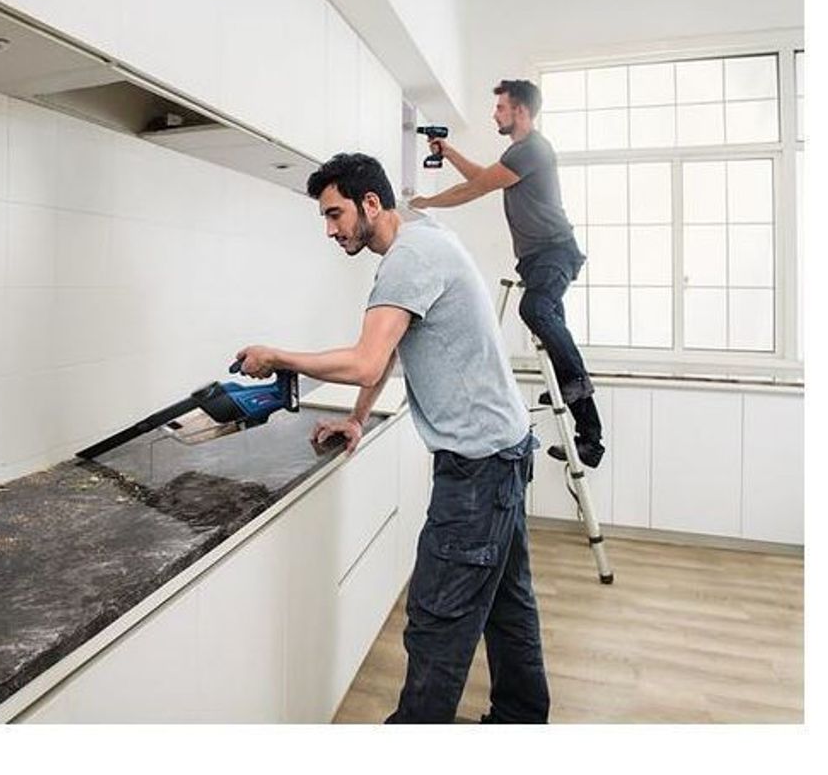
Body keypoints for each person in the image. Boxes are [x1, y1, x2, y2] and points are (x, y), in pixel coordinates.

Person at [235, 152, 550, 724]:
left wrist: (278, 356)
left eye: (335, 215)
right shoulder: (426, 237)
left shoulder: (407, 259)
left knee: (436, 621)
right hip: (504, 453)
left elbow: (365, 360)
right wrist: (358, 418)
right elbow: (387, 354)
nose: (330, 230)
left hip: (478, 471)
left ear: (370, 204)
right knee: (508, 607)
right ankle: (521, 720)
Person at [409, 79, 605, 469]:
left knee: (534, 310)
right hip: (537, 259)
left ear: (521, 111)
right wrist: (449, 152)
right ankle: (590, 438)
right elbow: (482, 177)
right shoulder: (518, 153)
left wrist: (426, 202)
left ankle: (576, 392)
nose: (494, 114)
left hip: (554, 252)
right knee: (551, 327)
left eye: (501, 107)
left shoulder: (532, 149)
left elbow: (475, 189)